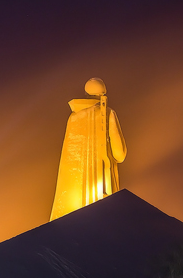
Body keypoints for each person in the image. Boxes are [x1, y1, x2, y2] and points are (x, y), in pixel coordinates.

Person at [50, 78, 127, 221]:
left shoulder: (73, 118)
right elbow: (120, 154)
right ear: (103, 94)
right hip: (103, 192)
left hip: (74, 204)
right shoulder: (108, 113)